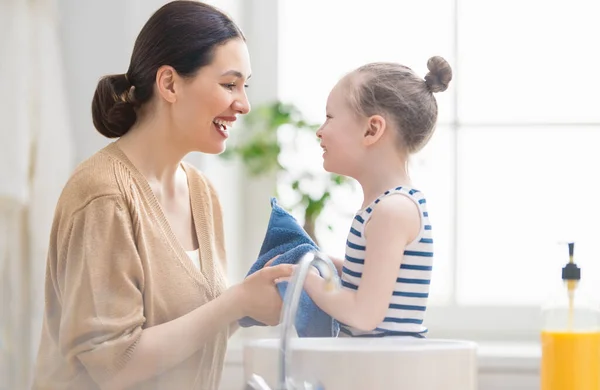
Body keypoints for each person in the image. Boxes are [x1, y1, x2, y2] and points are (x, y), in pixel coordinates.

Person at [32, 1, 292, 389]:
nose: (244, 104)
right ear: (169, 83)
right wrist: (234, 303)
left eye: (245, 86)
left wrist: (257, 300)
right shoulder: (104, 195)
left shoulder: (202, 195)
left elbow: (191, 332)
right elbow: (115, 364)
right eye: (229, 84)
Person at [290, 57, 452, 338]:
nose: (320, 131)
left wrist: (307, 281)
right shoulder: (385, 207)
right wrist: (317, 262)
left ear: (371, 130)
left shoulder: (393, 211)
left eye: (329, 117)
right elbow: (366, 277)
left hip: (385, 373)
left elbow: (363, 315)